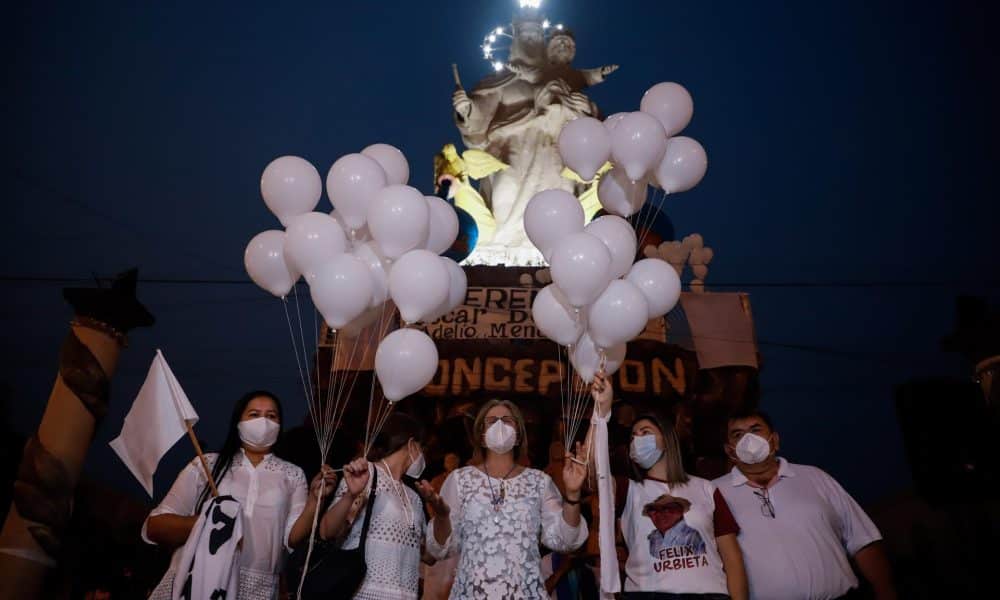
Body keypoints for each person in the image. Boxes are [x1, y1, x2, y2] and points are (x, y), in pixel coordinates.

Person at [143, 390, 336, 600]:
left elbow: (291, 539)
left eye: (271, 416)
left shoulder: (292, 475)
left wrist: (316, 499)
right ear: (238, 422)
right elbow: (154, 525)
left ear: (280, 426)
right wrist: (206, 523)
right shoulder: (206, 464)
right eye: (254, 414)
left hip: (258, 589)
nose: (263, 421)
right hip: (199, 582)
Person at [591, 372, 748, 599]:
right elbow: (591, 472)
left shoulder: (706, 488)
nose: (637, 440)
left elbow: (732, 559)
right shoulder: (628, 489)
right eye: (633, 436)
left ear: (666, 438)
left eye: (645, 433)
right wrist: (601, 413)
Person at [713, 410, 896, 600]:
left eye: (755, 430)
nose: (748, 439)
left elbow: (862, 539)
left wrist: (885, 591)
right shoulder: (713, 493)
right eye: (738, 435)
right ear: (729, 450)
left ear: (774, 440)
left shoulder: (815, 478)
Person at [424, 399, 589, 598]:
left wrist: (572, 495)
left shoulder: (539, 482)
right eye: (492, 421)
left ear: (519, 435)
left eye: (507, 420)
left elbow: (566, 541)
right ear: (482, 436)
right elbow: (443, 549)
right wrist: (442, 517)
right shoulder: (460, 480)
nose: (499, 425)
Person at [320, 413, 430, 599]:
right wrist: (350, 495)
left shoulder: (414, 497)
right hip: (366, 592)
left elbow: (428, 555)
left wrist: (442, 516)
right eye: (422, 448)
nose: (422, 456)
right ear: (412, 445)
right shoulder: (365, 474)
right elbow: (326, 531)